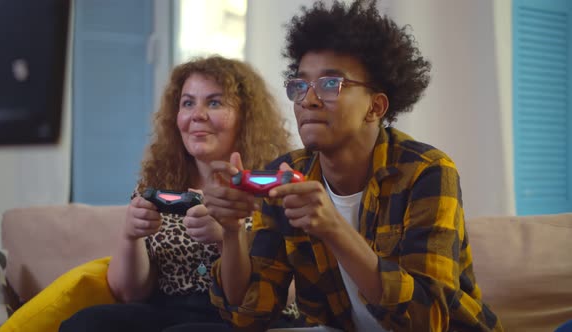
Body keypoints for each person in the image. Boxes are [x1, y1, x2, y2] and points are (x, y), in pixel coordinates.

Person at [202, 1, 503, 331]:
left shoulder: (426, 172)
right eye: (300, 85)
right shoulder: (287, 173)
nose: (308, 99)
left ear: (375, 107)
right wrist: (231, 233)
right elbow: (250, 313)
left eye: (331, 84)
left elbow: (427, 318)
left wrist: (334, 229)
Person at [58, 55, 293, 332]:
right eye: (188, 103)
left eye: (214, 102)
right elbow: (129, 294)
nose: (197, 115)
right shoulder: (156, 181)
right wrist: (130, 235)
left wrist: (227, 238)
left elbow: (245, 299)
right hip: (169, 312)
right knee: (83, 325)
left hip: (248, 318)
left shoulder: (268, 186)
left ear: (246, 117)